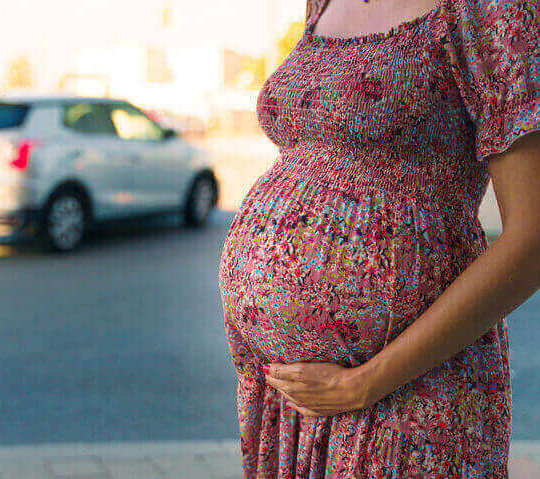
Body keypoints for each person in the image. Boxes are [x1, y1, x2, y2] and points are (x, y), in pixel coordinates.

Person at [217, 0, 539, 476]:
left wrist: (365, 383)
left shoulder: (494, 9)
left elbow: (532, 240)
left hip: (407, 393)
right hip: (293, 407)